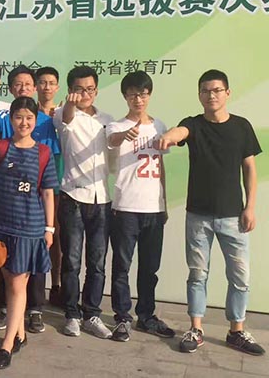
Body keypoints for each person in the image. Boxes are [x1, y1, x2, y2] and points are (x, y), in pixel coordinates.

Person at [158, 69, 264, 356]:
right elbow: (180, 132)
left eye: (217, 90)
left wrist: (250, 207)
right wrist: (168, 136)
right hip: (198, 216)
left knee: (240, 277)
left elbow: (250, 168)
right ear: (199, 95)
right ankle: (196, 328)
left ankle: (236, 331)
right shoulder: (194, 124)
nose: (211, 95)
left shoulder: (241, 126)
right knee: (197, 274)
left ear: (227, 93)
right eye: (205, 90)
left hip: (234, 216)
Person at [0, 96, 57, 369]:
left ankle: (6, 344)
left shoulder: (43, 152)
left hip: (29, 227)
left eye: (29, 118)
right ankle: (20, 333)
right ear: (11, 119)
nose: (23, 122)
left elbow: (48, 193)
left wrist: (49, 228)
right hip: (0, 225)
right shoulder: (2, 145)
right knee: (9, 280)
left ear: (35, 120)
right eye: (18, 117)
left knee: (17, 284)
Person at [0, 65, 60, 334]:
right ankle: (9, 313)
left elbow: (49, 182)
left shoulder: (46, 123)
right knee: (7, 266)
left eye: (28, 83)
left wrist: (49, 226)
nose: (24, 122)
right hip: (6, 211)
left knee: (30, 267)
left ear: (35, 87)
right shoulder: (5, 119)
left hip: (32, 214)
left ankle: (34, 310)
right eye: (17, 84)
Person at [106, 71, 175, 342]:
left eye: (143, 93)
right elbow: (112, 140)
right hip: (125, 207)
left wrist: (164, 203)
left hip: (154, 209)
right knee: (122, 266)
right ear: (125, 96)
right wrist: (125, 135)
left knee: (149, 268)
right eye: (133, 94)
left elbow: (161, 165)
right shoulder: (116, 126)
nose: (138, 99)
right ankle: (122, 317)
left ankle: (146, 316)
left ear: (150, 95)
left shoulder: (160, 126)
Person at [53, 65, 114, 339]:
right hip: (73, 197)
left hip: (102, 199)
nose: (85, 94)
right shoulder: (63, 114)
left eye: (90, 89)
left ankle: (92, 314)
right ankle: (71, 314)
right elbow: (66, 118)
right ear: (70, 91)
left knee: (97, 262)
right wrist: (69, 104)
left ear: (96, 90)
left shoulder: (107, 120)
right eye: (79, 89)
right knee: (72, 261)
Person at [35, 66, 63, 306]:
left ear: (58, 87)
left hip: (58, 182)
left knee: (56, 237)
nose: (47, 87)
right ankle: (34, 292)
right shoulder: (28, 114)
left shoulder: (65, 113)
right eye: (42, 82)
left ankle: (56, 285)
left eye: (51, 83)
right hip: (33, 183)